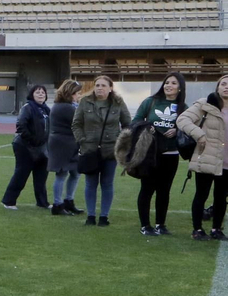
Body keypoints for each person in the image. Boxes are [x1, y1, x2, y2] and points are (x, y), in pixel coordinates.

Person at [71, 74, 131, 227]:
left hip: (110, 151)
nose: (99, 88)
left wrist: (121, 144)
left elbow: (127, 125)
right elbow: (76, 124)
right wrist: (82, 140)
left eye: (103, 85)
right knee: (90, 183)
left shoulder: (118, 103)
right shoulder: (85, 102)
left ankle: (104, 216)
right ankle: (90, 216)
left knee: (107, 183)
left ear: (110, 88)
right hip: (89, 150)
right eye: (97, 85)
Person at [133, 73, 188, 236]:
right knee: (147, 189)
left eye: (173, 83)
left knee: (164, 190)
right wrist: (147, 127)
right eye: (166, 82)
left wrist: (178, 130)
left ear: (180, 88)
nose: (168, 85)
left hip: (171, 154)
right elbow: (135, 121)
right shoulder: (150, 102)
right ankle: (145, 226)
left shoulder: (183, 107)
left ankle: (160, 225)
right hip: (150, 153)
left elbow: (190, 126)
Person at [179, 75, 228, 241]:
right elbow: (182, 119)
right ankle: (197, 229)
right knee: (202, 194)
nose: (226, 87)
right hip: (207, 157)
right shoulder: (204, 104)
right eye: (224, 84)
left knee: (221, 197)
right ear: (218, 87)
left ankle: (216, 229)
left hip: (226, 162)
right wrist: (199, 134)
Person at [0, 84, 52, 211]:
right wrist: (32, 139)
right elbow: (21, 125)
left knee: (41, 175)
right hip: (25, 147)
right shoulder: (28, 107)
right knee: (21, 174)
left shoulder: (46, 109)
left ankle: (42, 202)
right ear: (32, 95)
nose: (41, 94)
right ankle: (9, 201)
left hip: (42, 147)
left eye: (43, 92)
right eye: (37, 92)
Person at [46, 79, 84, 216]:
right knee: (62, 173)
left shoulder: (66, 106)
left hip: (69, 142)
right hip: (63, 143)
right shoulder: (65, 107)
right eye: (77, 93)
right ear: (70, 93)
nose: (78, 95)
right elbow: (80, 122)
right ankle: (57, 204)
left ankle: (69, 201)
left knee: (75, 172)